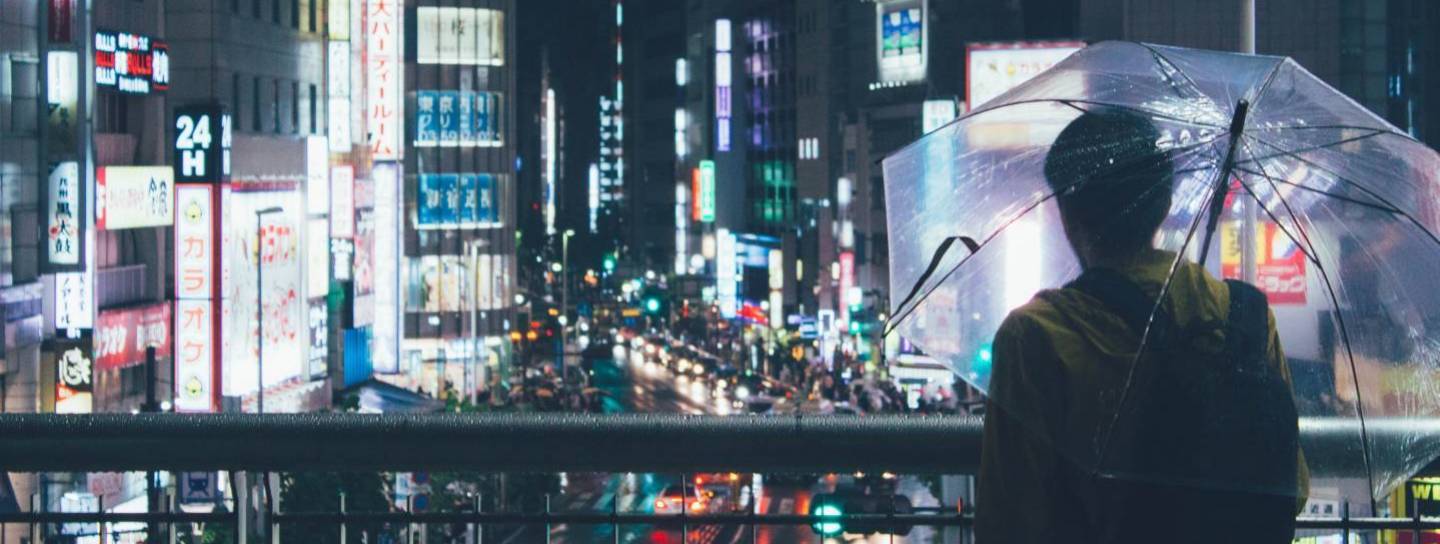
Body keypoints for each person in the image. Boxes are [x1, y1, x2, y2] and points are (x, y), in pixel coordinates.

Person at [976, 108, 1309, 543]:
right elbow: (1292, 487)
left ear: (1067, 212)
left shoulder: (1036, 337)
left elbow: (1010, 520)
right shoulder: (1244, 317)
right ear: (1164, 203)